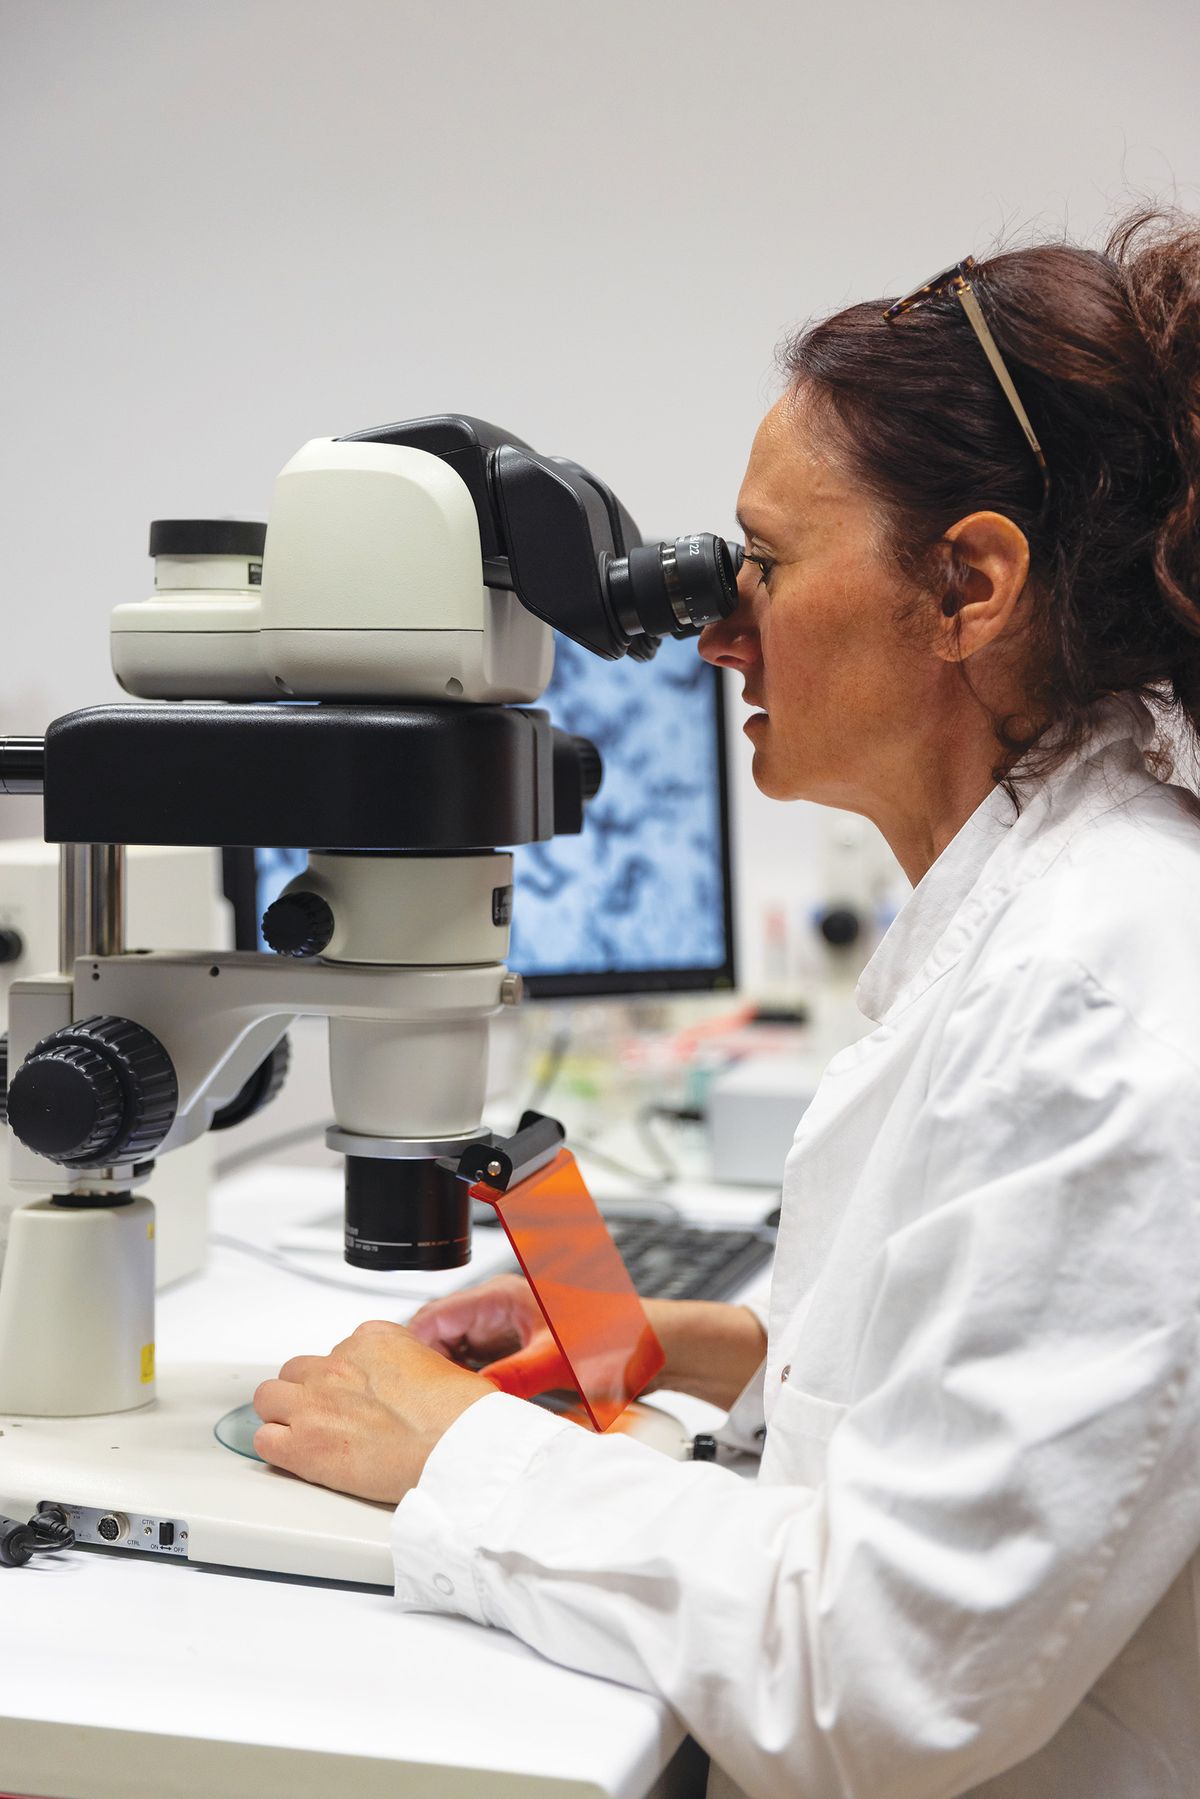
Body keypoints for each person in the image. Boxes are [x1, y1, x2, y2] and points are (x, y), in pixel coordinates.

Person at [251, 210, 1200, 1799]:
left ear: (969, 583)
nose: (710, 628)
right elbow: (1014, 1398)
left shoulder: (1100, 996)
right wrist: (725, 1352)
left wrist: (462, 1459)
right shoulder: (1044, 907)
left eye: (761, 562)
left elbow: (886, 1677)